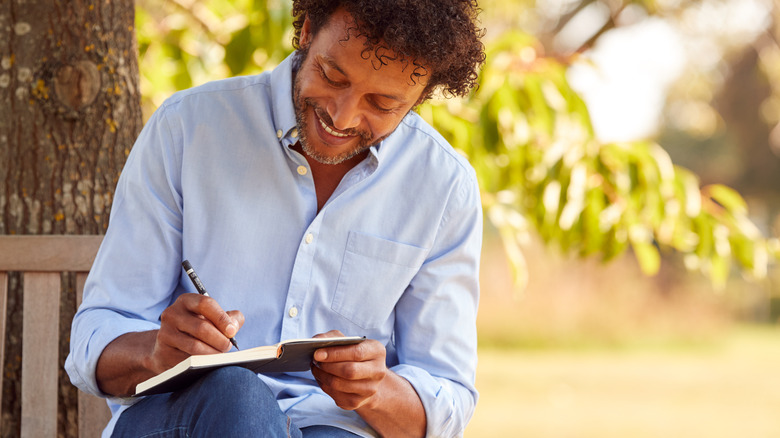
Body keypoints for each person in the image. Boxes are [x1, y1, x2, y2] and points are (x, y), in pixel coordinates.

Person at [65, 0, 486, 436]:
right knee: (237, 394)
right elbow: (95, 337)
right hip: (187, 418)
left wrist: (375, 388)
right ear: (306, 31)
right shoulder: (188, 129)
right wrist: (156, 351)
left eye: (381, 103)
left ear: (420, 97)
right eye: (332, 76)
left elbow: (448, 397)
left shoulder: (443, 187)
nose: (341, 117)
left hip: (334, 427)